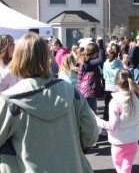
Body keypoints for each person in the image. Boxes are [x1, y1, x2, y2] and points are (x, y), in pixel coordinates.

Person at [0, 32, 98, 173]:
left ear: (17, 58)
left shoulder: (9, 102)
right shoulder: (72, 93)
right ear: (47, 57)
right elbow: (90, 135)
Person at [94, 68, 139, 173]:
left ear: (116, 83)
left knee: (119, 168)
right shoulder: (136, 97)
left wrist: (96, 119)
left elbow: (112, 126)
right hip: (133, 141)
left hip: (118, 142)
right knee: (126, 169)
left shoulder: (115, 102)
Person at [77, 42, 105, 114]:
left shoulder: (86, 61)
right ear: (95, 53)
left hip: (85, 90)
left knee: (88, 113)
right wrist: (101, 44)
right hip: (88, 91)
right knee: (92, 114)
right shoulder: (89, 63)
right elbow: (101, 59)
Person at [103, 43, 123, 121]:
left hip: (108, 86)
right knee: (116, 106)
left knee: (107, 105)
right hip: (116, 86)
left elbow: (104, 76)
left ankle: (106, 122)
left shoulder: (105, 63)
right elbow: (119, 74)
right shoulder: (119, 63)